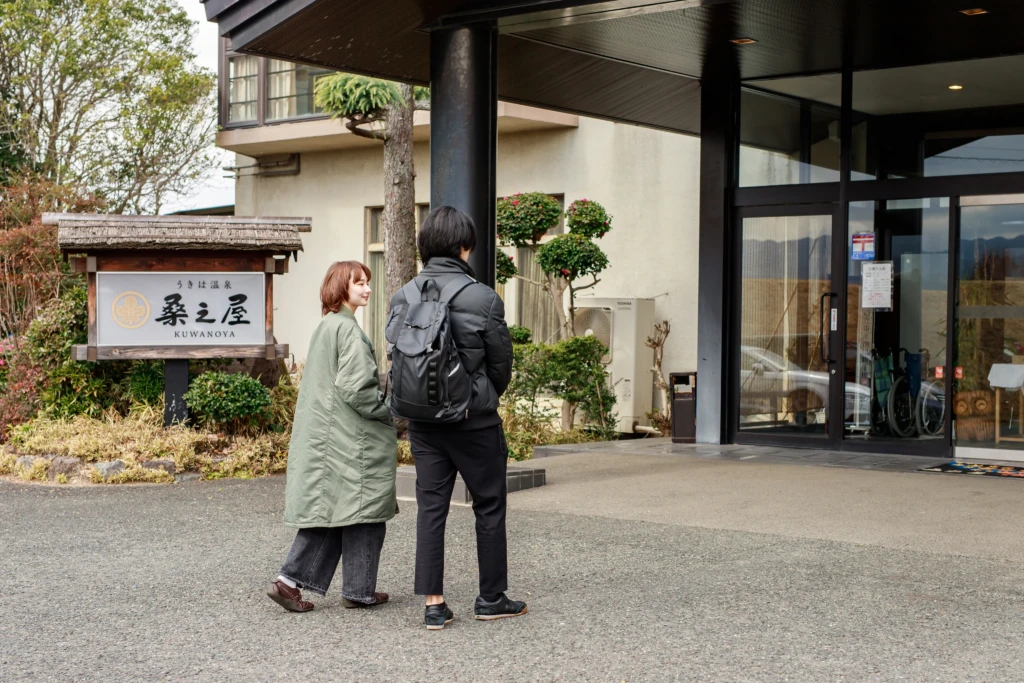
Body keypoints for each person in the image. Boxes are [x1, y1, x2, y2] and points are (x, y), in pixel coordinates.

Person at [387, 206, 526, 630]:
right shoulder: (483, 296)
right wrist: (481, 397)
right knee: (489, 504)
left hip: (423, 422)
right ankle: (490, 597)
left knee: (431, 508)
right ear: (465, 247)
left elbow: (397, 355)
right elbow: (502, 364)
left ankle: (434, 604)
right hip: (473, 421)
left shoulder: (403, 296)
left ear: (426, 246)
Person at [267, 261, 397, 613]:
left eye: (367, 282)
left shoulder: (328, 326)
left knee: (339, 513)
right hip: (351, 438)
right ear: (341, 288)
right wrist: (390, 414)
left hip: (330, 436)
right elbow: (357, 388)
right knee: (364, 511)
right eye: (359, 283)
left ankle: (310, 583)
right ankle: (340, 588)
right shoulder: (349, 331)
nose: (367, 288)